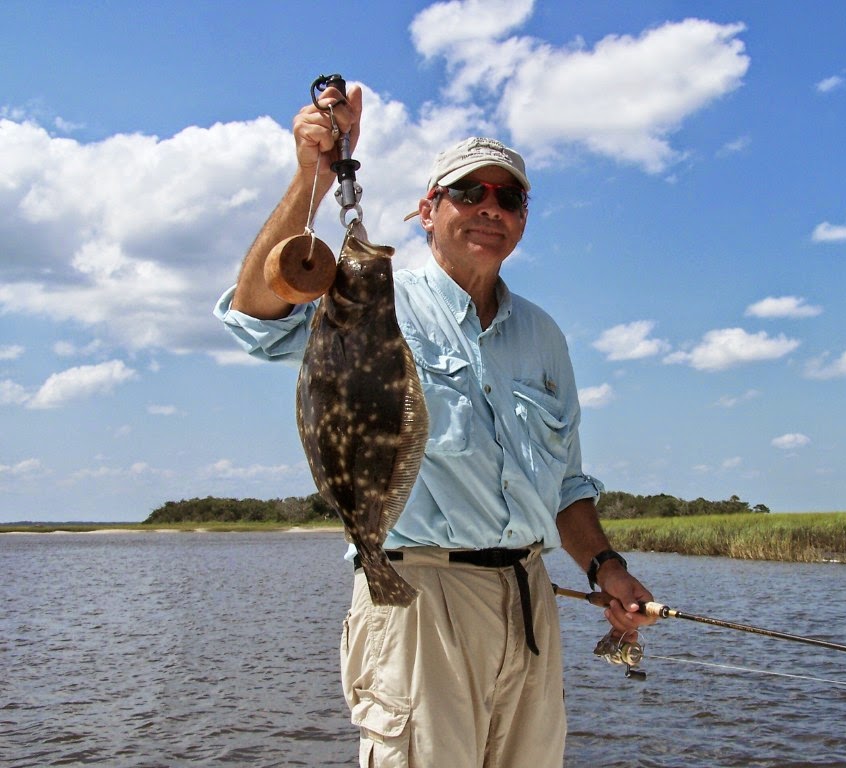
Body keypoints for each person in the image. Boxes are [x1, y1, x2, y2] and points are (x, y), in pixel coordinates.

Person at [214, 82, 656, 768]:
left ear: (523, 219)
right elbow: (255, 319)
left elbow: (565, 483)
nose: (489, 208)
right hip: (417, 595)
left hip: (530, 598)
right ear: (427, 209)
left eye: (507, 198)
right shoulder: (365, 299)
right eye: (467, 192)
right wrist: (313, 174)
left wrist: (607, 566)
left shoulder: (544, 338)